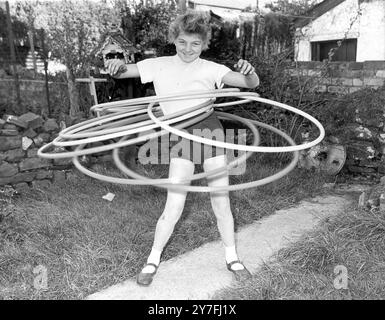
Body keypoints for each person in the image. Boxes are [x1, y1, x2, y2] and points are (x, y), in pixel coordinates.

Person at [106, 10, 259, 287]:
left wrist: (250, 74)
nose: (188, 49)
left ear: (204, 44)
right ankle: (152, 259)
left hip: (210, 133)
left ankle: (232, 257)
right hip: (180, 136)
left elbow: (250, 84)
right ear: (174, 39)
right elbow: (124, 71)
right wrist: (115, 67)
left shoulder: (212, 69)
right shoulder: (158, 64)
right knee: (174, 204)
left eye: (195, 44)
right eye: (182, 42)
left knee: (220, 200)